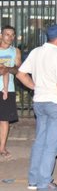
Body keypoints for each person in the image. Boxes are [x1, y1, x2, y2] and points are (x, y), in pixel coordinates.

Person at [17, 24, 57, 191]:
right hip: (55, 104)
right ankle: (44, 183)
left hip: (39, 103)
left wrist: (35, 87)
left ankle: (34, 179)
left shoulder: (36, 52)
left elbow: (21, 73)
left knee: (40, 142)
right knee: (52, 145)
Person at [0, 25, 22, 159]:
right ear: (1, 35)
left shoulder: (16, 51)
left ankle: (2, 147)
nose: (10, 37)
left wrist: (7, 68)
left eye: (12, 34)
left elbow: (18, 69)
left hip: (8, 88)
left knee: (4, 120)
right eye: (7, 34)